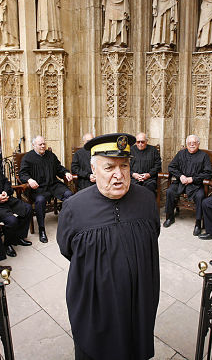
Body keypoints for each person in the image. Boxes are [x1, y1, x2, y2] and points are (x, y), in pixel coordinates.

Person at [57, 133, 160, 360]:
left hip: (138, 300)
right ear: (93, 170)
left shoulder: (146, 200)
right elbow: (67, 249)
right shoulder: (74, 207)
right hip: (96, 303)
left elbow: (153, 237)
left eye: (124, 166)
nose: (118, 175)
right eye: (109, 167)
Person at [19, 135, 73, 243]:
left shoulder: (50, 155)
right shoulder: (28, 158)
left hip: (53, 184)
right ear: (34, 145)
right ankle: (42, 229)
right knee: (40, 200)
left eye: (44, 144)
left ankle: (67, 222)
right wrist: (29, 180)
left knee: (69, 195)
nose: (43, 146)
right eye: (40, 144)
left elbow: (58, 168)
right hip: (39, 187)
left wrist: (66, 172)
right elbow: (22, 174)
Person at [164, 134, 212, 234]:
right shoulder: (181, 154)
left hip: (196, 184)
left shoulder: (204, 156)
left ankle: (198, 223)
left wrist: (192, 179)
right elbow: (171, 167)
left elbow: (208, 173)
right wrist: (180, 176)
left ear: (198, 144)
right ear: (186, 144)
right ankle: (170, 217)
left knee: (200, 196)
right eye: (189, 143)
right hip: (181, 182)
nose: (192, 145)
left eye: (194, 143)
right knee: (169, 192)